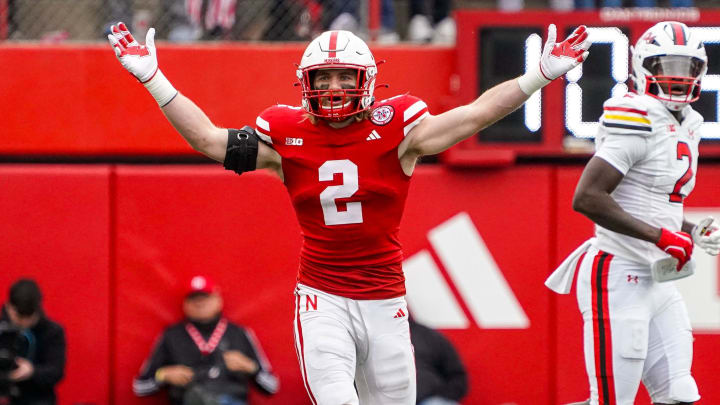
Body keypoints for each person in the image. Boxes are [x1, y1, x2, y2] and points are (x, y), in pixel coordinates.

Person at [108, 22, 590, 404]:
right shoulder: (286, 135)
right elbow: (210, 140)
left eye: (344, 76)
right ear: (306, 82)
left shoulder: (398, 127)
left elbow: (475, 115)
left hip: (385, 299)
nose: (335, 87)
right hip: (322, 298)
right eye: (324, 77)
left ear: (367, 81)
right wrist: (153, 77)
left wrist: (539, 75)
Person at [548, 21, 720, 405]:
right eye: (667, 65)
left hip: (657, 280)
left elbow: (656, 205)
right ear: (645, 66)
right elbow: (588, 197)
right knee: (612, 400)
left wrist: (690, 231)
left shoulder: (690, 123)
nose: (677, 76)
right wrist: (661, 237)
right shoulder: (635, 114)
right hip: (616, 274)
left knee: (679, 393)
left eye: (686, 66)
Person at [132, 275, 279, 405]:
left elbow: (272, 387)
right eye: (193, 298)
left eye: (205, 297)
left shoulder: (240, 334)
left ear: (218, 301)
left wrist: (251, 368)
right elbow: (140, 387)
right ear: (185, 304)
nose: (199, 303)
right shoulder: (171, 336)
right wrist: (163, 375)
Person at [0, 278, 66, 405]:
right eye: (18, 317)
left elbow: (56, 371)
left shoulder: (52, 332)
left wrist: (32, 371)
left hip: (36, 398)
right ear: (9, 307)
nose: (22, 322)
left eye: (27, 318)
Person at [409, 318, 467, 405]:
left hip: (429, 400)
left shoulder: (427, 336)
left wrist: (443, 395)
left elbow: (457, 375)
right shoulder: (382, 338)